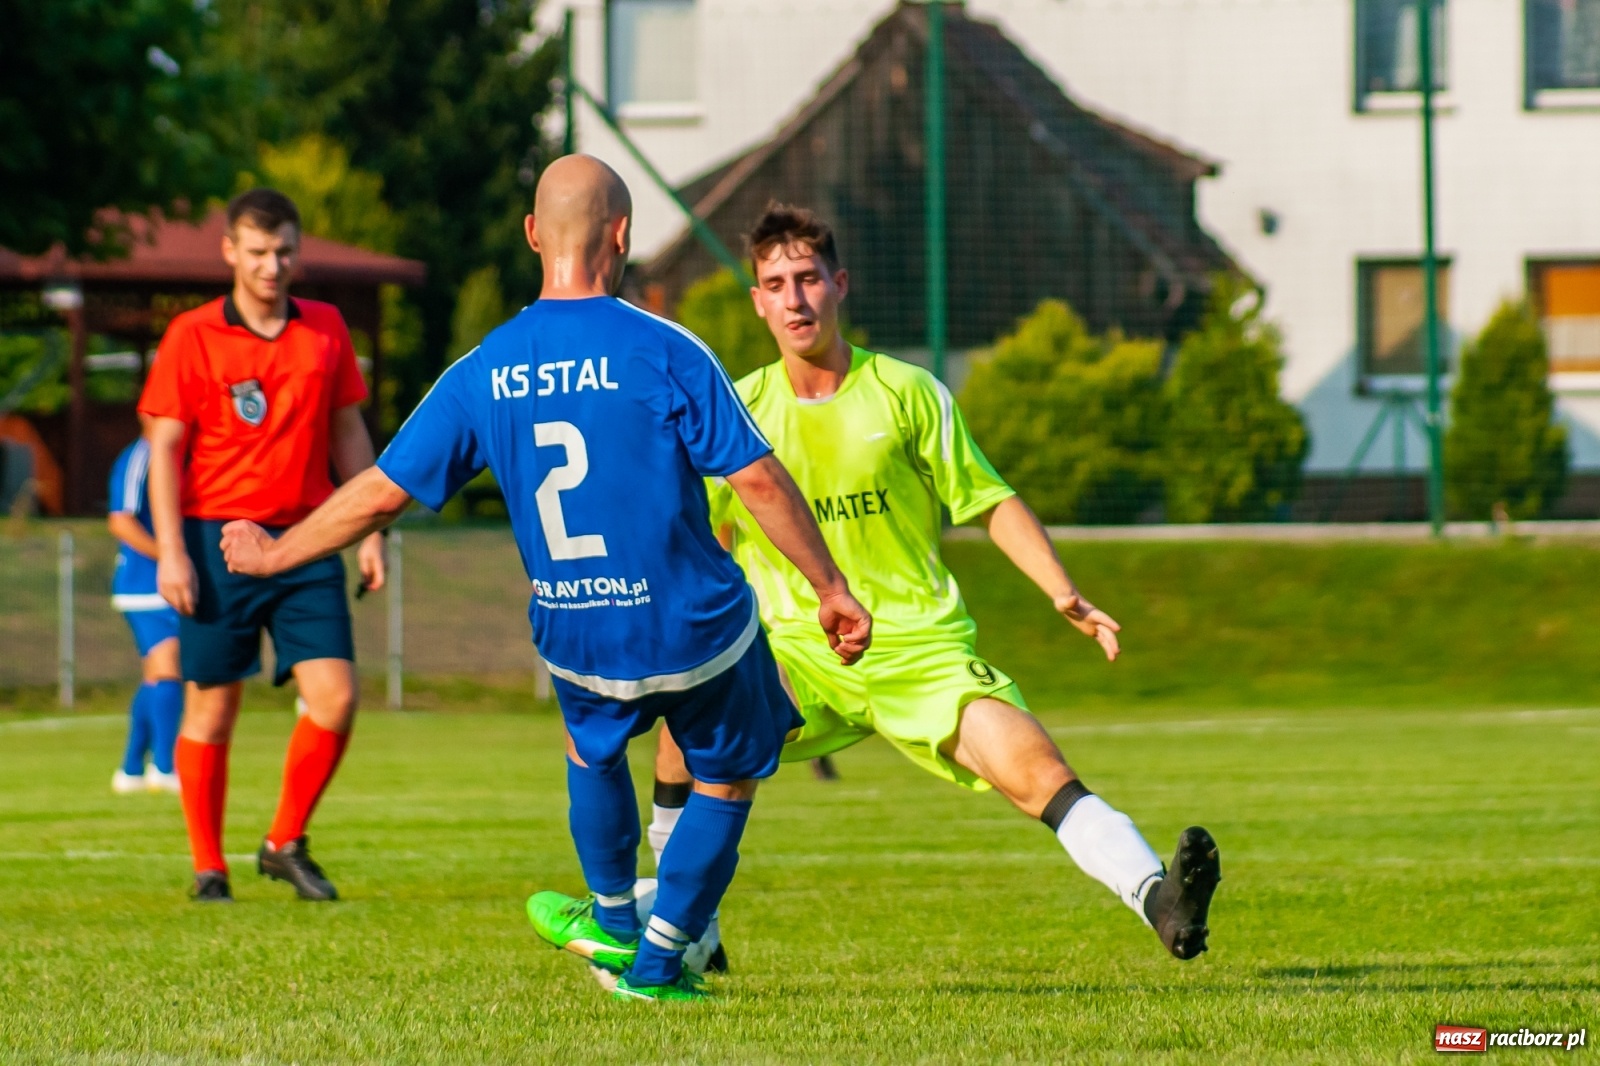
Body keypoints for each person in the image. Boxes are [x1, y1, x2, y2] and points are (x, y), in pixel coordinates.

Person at [218, 156, 871, 1002]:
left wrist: (274, 553)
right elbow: (754, 478)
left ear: (533, 236)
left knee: (589, 749)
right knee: (724, 776)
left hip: (576, 624)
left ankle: (608, 912)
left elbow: (380, 492)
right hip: (691, 624)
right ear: (623, 237)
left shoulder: (485, 367)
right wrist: (829, 586)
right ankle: (660, 963)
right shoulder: (663, 347)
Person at [650, 204, 1220, 963]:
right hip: (797, 652)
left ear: (839, 285)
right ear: (756, 299)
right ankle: (693, 927)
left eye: (809, 279)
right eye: (776, 283)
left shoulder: (906, 392)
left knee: (1038, 773)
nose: (794, 299)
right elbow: (710, 537)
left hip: (917, 646)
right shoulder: (741, 409)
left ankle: (1161, 899)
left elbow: (990, 499)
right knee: (686, 726)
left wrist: (1062, 589)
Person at [138, 188, 386, 904]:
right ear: (230, 252)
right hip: (212, 540)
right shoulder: (191, 335)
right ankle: (208, 868)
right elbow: (163, 450)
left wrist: (371, 530)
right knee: (212, 706)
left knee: (335, 697)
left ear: (297, 249)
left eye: (283, 251)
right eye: (257, 252)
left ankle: (282, 842)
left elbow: (348, 435)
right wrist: (171, 552)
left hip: (308, 539)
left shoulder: (327, 329)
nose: (272, 266)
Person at [106, 425, 183, 794]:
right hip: (145, 585)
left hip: (174, 582)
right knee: (169, 664)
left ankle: (131, 769)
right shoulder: (142, 454)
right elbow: (121, 519)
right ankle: (166, 768)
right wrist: (171, 557)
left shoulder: (185, 454)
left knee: (158, 673)